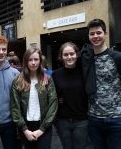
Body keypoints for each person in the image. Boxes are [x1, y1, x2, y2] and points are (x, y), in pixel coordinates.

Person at [81, 19, 121, 149]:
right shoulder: (85, 58)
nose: (95, 36)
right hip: (94, 118)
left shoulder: (117, 57)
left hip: (116, 118)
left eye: (98, 33)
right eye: (92, 34)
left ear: (105, 34)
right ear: (88, 36)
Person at [10, 47, 58, 149]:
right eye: (30, 60)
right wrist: (24, 129)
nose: (33, 63)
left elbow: (53, 104)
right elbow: (15, 106)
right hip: (26, 126)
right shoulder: (18, 80)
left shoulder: (48, 79)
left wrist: (42, 129)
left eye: (36, 59)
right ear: (25, 61)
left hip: (44, 125)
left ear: (40, 61)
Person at [52, 42, 88, 149]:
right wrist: (56, 99)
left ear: (77, 54)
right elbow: (53, 94)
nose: (69, 57)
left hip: (82, 119)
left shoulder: (84, 72)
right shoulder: (56, 74)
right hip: (63, 120)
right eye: (66, 55)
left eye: (72, 54)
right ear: (61, 57)